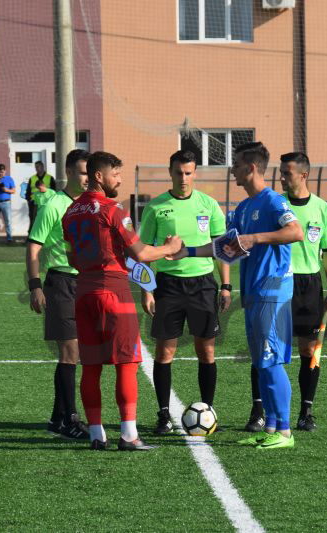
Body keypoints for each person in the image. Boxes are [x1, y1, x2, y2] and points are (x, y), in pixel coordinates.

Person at [169, 141, 304, 450]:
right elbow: (224, 246)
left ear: (251, 168)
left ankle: (285, 432)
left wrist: (255, 238)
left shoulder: (273, 201)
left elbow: (295, 232)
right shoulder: (243, 208)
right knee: (260, 361)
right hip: (254, 290)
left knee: (270, 360)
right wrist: (187, 252)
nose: (232, 170)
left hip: (273, 290)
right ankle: (271, 426)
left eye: (236, 165)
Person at [62, 151, 183, 451]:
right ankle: (129, 435)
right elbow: (141, 253)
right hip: (113, 292)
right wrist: (169, 248)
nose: (119, 180)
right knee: (127, 363)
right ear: (99, 176)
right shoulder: (113, 209)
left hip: (84, 292)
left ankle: (96, 434)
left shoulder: (70, 212)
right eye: (115, 175)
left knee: (91, 367)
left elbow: (71, 257)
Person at [138, 150, 232, 435]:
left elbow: (222, 249)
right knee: (165, 352)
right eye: (178, 172)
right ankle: (164, 415)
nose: (183, 178)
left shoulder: (209, 205)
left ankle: (208, 411)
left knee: (206, 351)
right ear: (170, 172)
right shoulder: (155, 207)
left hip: (203, 284)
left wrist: (226, 286)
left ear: (195, 173)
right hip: (169, 286)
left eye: (188, 172)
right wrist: (147, 290)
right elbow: (144, 253)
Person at [26, 149, 91, 440]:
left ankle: (57, 419)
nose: (87, 178)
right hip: (61, 283)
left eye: (90, 173)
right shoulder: (53, 204)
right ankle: (70, 419)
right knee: (70, 352)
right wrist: (35, 286)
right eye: (82, 172)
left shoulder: (91, 205)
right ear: (69, 172)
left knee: (74, 355)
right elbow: (33, 246)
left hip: (87, 284)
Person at [278, 152, 327, 431]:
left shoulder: (322, 208)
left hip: (309, 285)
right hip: (279, 281)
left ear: (303, 175)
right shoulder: (276, 204)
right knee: (270, 349)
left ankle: (305, 412)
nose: (281, 177)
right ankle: (259, 412)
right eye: (281, 172)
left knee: (309, 350)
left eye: (287, 173)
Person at [26, 161, 56, 232]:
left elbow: (54, 190)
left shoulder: (50, 178)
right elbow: (28, 191)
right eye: (35, 167)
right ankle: (31, 236)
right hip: (34, 202)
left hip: (46, 203)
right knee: (33, 220)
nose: (36, 168)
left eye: (38, 167)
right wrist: (29, 200)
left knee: (46, 220)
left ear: (42, 167)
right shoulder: (32, 178)